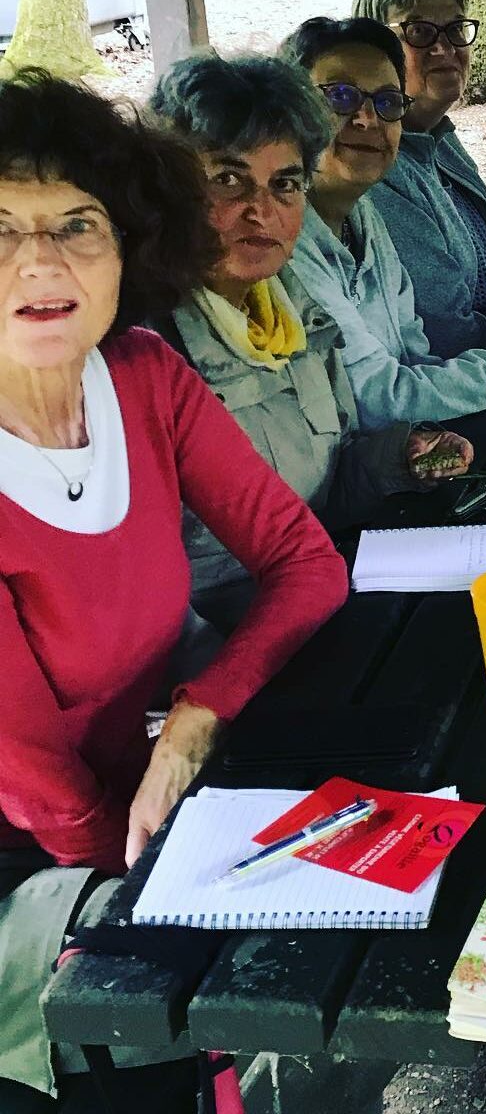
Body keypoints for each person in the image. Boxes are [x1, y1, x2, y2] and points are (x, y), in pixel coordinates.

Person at [0, 71, 348, 1110]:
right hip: (41, 862)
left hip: (169, 786)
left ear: (130, 244)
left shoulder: (143, 372)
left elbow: (304, 562)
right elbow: (33, 779)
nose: (41, 260)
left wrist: (201, 713)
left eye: (77, 223)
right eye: (0, 229)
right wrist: (172, 900)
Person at [148, 53, 474, 632]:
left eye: (286, 184)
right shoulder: (151, 354)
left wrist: (401, 457)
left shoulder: (293, 308)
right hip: (240, 643)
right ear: (169, 193)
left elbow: (331, 485)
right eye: (228, 180)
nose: (261, 212)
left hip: (328, 593)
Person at [283, 17, 486, 430]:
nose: (367, 119)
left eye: (387, 102)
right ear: (289, 115)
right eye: (341, 97)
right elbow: (381, 398)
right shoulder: (284, 246)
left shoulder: (363, 218)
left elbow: (416, 356)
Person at [352, 0, 486, 359]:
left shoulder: (436, 135)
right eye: (419, 31)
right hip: (457, 389)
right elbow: (446, 334)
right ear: (375, 53)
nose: (444, 47)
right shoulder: (376, 170)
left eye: (455, 29)